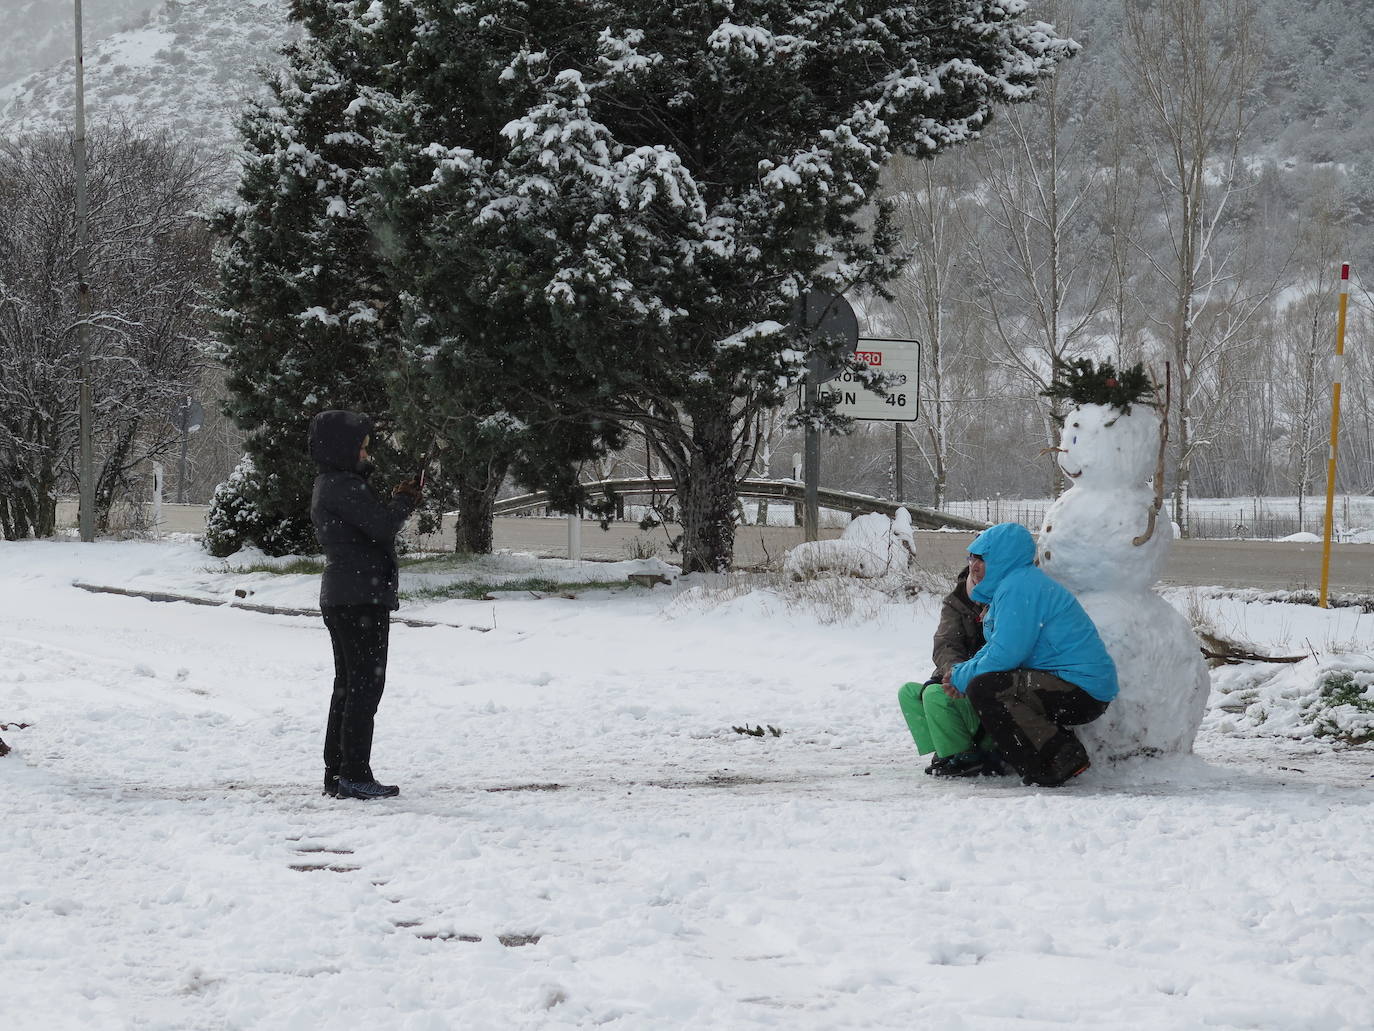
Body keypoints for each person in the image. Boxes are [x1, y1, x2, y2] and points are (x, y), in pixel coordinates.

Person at [943, 522, 1117, 787]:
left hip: (1083, 690)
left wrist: (961, 678)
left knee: (988, 688)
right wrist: (960, 674)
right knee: (986, 683)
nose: (973, 566)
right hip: (1069, 684)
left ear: (1002, 558)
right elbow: (996, 647)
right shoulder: (1012, 586)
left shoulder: (1020, 588)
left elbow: (1005, 655)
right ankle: (1042, 757)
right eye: (971, 558)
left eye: (981, 558)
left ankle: (1058, 756)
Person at [308, 410, 422, 800]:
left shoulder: (333, 483)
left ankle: (338, 771)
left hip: (346, 593)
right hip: (359, 597)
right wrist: (404, 501)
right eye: (362, 446)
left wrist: (393, 498)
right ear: (343, 448)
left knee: (348, 685)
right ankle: (353, 773)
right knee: (364, 687)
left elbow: (370, 522)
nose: (366, 452)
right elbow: (382, 526)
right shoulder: (342, 485)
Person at [896, 564, 1002, 777]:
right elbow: (945, 644)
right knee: (909, 693)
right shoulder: (957, 601)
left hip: (986, 694)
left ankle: (967, 756)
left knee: (934, 695)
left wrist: (964, 677)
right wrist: (954, 673)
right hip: (961, 680)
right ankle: (946, 750)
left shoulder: (1004, 603)